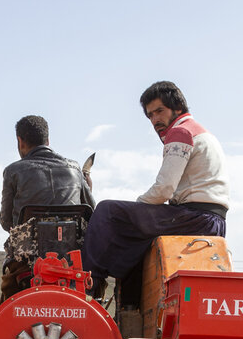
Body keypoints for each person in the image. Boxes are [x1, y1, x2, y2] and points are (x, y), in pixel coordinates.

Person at [81, 81, 228, 306]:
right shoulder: (200, 132)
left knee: (107, 211)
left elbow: (164, 190)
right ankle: (131, 310)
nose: (155, 120)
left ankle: (88, 283)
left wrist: (139, 206)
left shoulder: (180, 132)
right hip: (210, 219)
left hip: (194, 217)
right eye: (150, 115)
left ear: (177, 107)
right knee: (136, 250)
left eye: (160, 111)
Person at [0, 115, 95, 300]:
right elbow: (92, 212)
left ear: (20, 141)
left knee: (9, 277)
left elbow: (6, 223)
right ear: (48, 140)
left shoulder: (13, 171)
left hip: (27, 264)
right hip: (74, 262)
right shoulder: (74, 168)